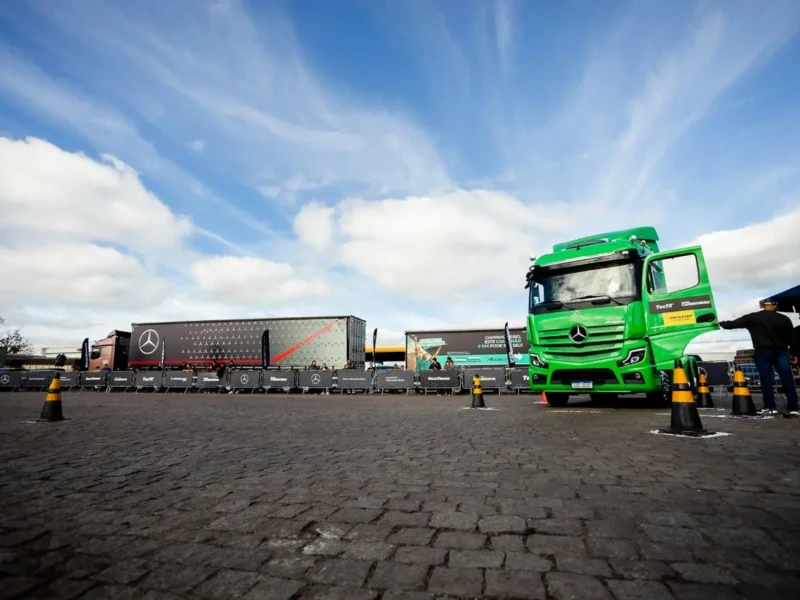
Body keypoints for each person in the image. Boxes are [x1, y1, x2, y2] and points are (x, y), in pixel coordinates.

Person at [719, 298, 799, 416]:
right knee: (787, 379)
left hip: (763, 352)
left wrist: (720, 323)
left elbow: (733, 324)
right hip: (781, 351)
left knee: (766, 380)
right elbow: (792, 338)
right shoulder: (784, 319)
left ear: (763, 306)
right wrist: (795, 354)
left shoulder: (754, 317)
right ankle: (794, 408)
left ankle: (770, 407)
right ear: (776, 306)